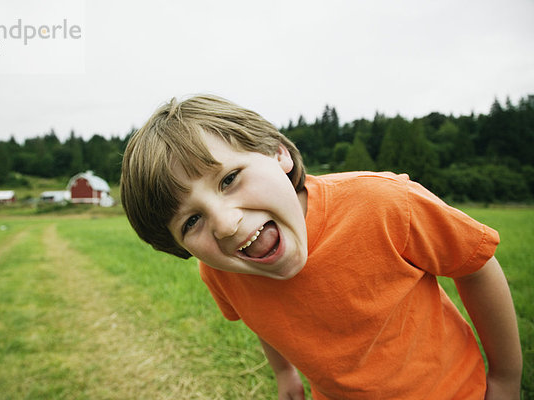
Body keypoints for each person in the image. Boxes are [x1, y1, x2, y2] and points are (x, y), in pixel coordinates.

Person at [120, 94, 522, 399]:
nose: (226, 224)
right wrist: (284, 374)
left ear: (278, 155)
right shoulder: (220, 272)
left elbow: (476, 265)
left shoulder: (383, 203)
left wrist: (505, 378)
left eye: (228, 179)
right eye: (191, 221)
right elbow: (261, 318)